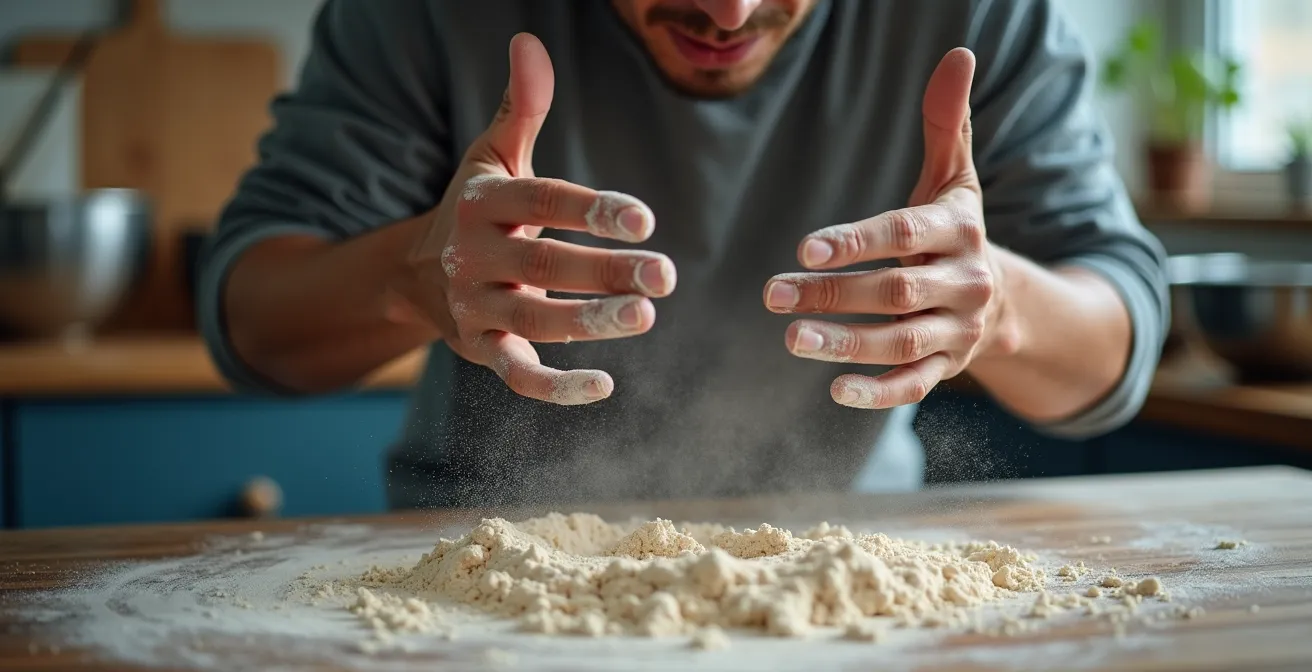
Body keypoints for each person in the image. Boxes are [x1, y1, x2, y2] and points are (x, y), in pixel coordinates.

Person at [199, 0, 1169, 509]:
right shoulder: (423, 14)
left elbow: (1117, 336)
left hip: (854, 575)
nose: (730, 11)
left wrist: (999, 308)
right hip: (477, 582)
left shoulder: (981, 12)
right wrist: (410, 276)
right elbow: (252, 321)